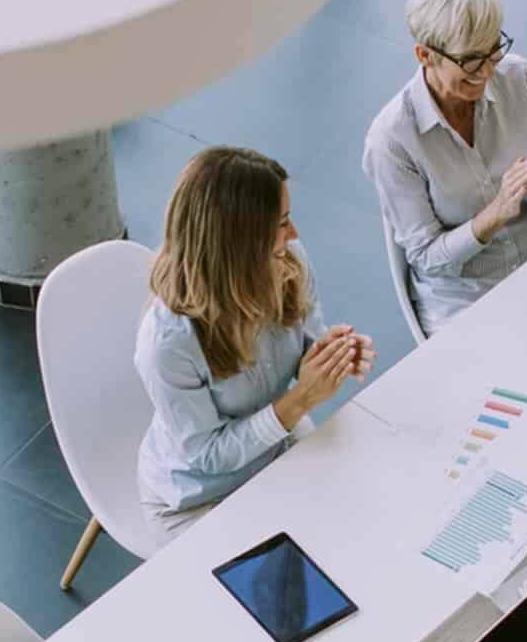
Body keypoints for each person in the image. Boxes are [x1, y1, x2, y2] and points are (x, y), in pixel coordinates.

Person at [133, 146, 374, 539]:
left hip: (273, 452)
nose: (293, 234)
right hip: (198, 499)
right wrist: (301, 400)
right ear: (240, 243)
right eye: (282, 223)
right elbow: (208, 454)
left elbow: (302, 343)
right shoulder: (167, 344)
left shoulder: (289, 261)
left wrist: (329, 353)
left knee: (360, 526)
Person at [363, 0, 527, 337]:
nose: (488, 70)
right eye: (471, 61)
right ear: (425, 55)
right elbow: (427, 259)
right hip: (466, 303)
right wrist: (493, 215)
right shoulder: (391, 141)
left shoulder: (519, 79)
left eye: (494, 50)